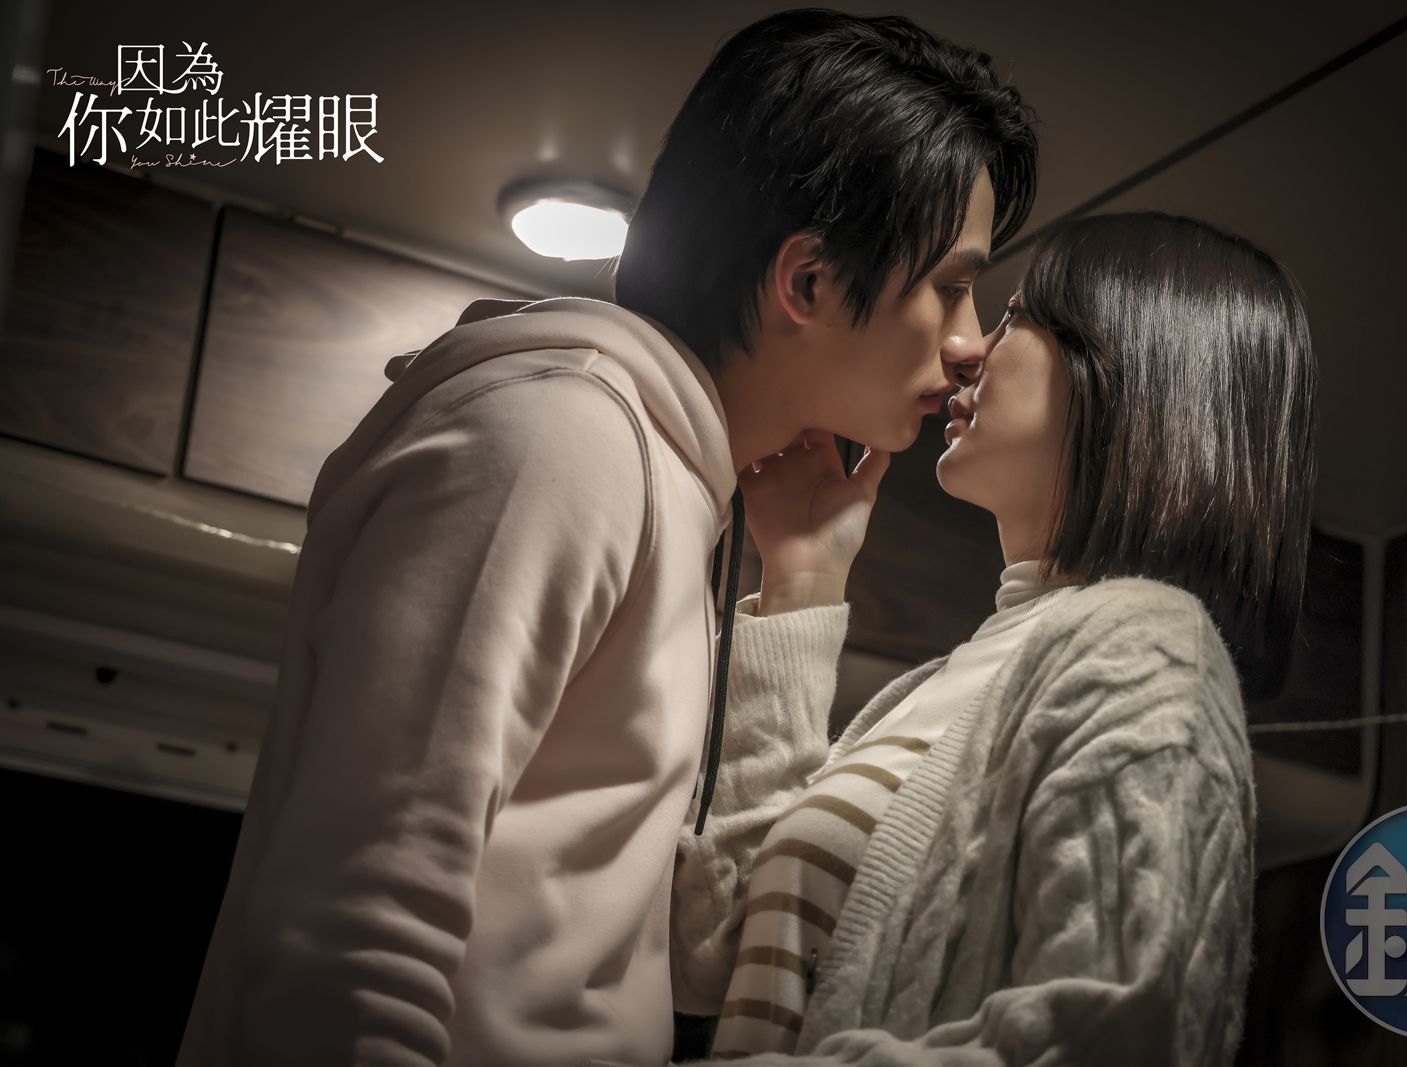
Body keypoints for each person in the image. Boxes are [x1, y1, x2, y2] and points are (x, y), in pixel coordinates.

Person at [175, 10, 1036, 1067]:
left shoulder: (663, 475)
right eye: (952, 286)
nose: (969, 341)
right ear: (808, 282)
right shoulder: (559, 438)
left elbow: (708, 955)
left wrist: (804, 580)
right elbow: (351, 932)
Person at [673, 211, 1318, 1064]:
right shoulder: (948, 679)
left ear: (1127, 367)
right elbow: (712, 959)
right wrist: (803, 574)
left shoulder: (1150, 644)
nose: (968, 350)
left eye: (1016, 316)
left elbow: (1115, 1033)